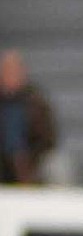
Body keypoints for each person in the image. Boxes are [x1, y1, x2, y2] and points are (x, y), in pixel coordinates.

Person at [0, 47, 57, 184]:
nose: (10, 76)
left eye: (14, 71)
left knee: (56, 167)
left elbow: (49, 138)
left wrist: (30, 156)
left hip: (31, 159)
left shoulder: (36, 101)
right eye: (7, 71)